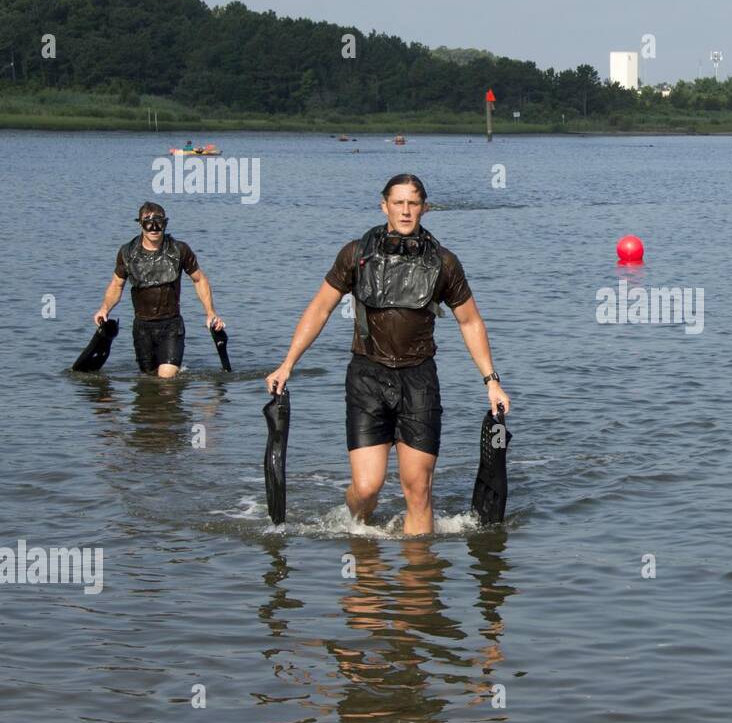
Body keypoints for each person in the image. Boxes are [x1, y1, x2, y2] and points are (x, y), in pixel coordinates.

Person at [265, 173, 510, 535]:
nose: (406, 211)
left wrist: (491, 381)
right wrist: (287, 364)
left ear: (425, 208)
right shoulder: (355, 254)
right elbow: (319, 308)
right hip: (367, 378)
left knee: (419, 491)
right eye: (399, 203)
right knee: (367, 488)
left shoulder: (444, 263)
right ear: (384, 206)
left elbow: (470, 322)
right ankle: (358, 528)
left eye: (413, 203)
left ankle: (419, 583)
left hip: (419, 381)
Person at [94, 202, 225, 378]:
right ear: (140, 224)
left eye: (159, 223)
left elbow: (199, 279)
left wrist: (210, 312)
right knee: (149, 379)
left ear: (165, 223)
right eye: (148, 223)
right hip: (142, 328)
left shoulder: (179, 250)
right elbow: (117, 284)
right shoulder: (127, 252)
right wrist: (104, 308)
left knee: (166, 379)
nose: (154, 228)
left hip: (171, 325)